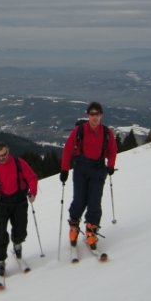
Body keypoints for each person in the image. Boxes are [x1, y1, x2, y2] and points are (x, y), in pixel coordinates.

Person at [59, 102, 117, 249]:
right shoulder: (80, 130)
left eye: (97, 114)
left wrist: (110, 165)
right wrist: (64, 169)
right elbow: (67, 149)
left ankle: (91, 230)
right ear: (88, 115)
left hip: (98, 169)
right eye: (92, 114)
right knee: (79, 199)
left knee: (94, 201)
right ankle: (74, 226)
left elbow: (112, 150)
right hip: (81, 169)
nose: (95, 117)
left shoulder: (106, 132)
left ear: (101, 115)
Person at [0, 142, 38, 276]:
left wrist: (33, 192)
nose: (2, 158)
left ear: (8, 151)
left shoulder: (19, 163)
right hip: (2, 203)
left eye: (4, 154)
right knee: (1, 232)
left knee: (21, 229)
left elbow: (32, 177)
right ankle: (0, 260)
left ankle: (17, 245)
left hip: (19, 201)